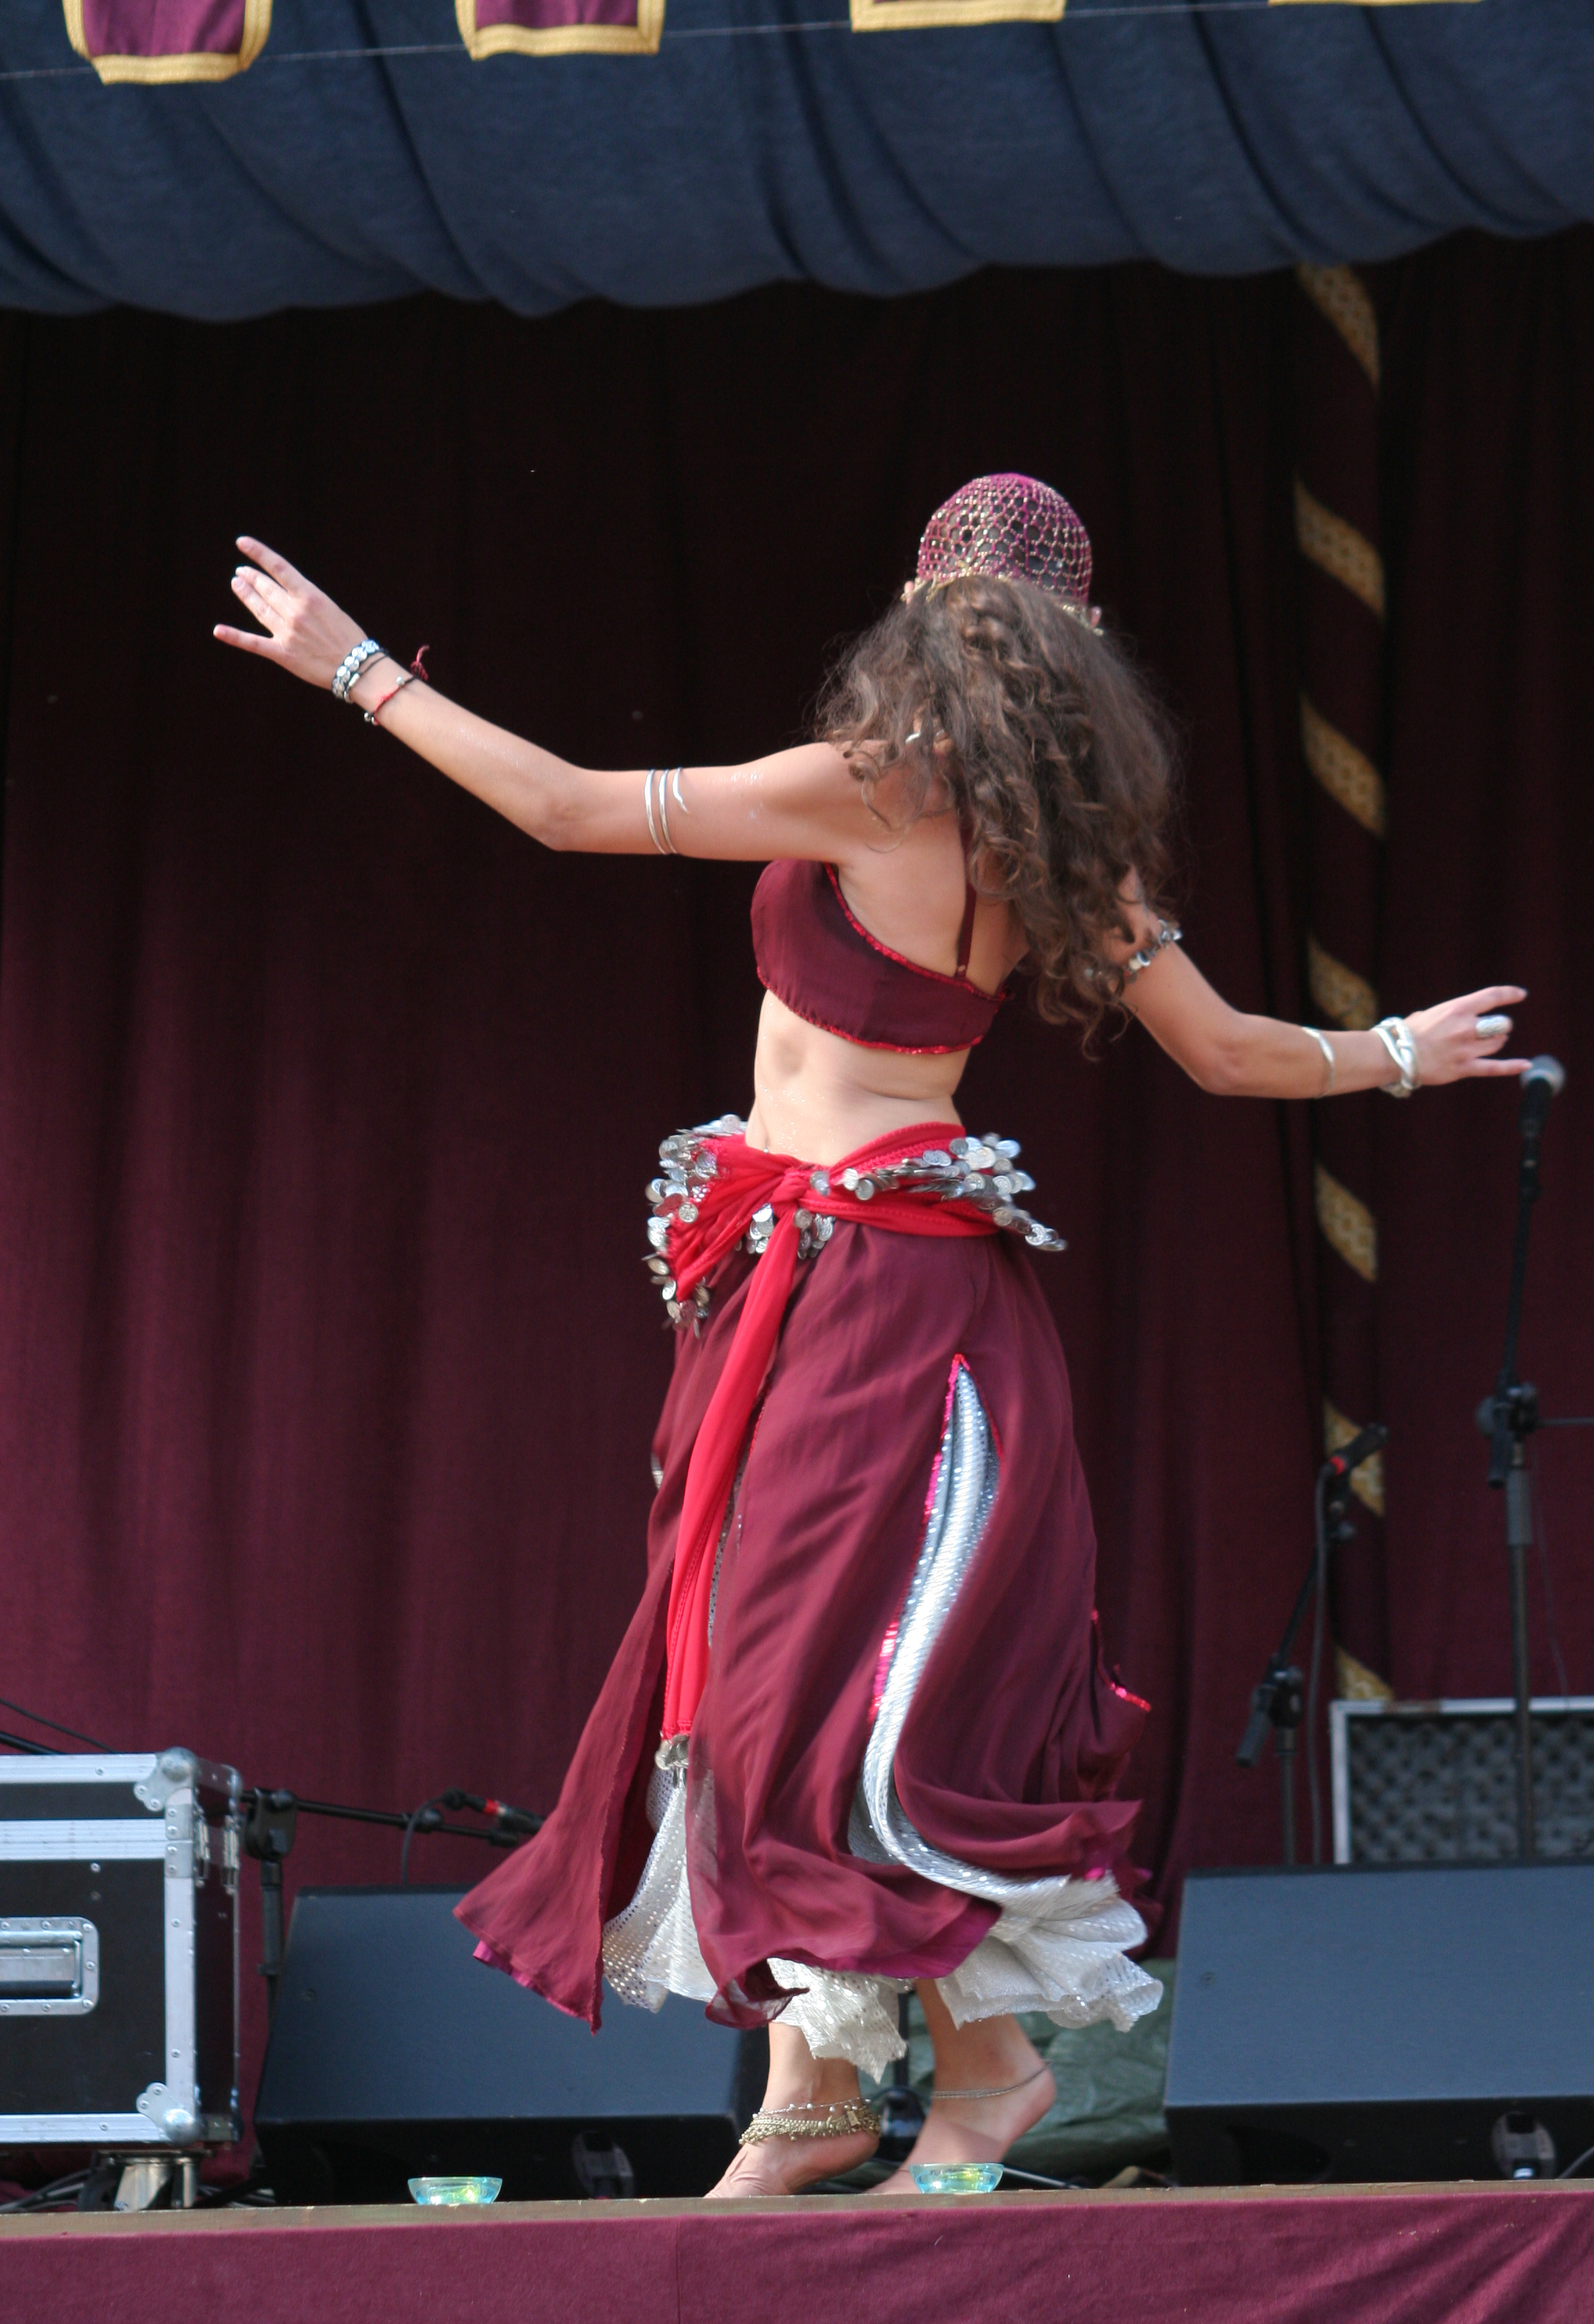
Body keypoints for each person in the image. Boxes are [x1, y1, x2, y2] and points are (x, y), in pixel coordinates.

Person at [218, 474, 1527, 2198]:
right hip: (867, 1283)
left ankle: (908, 2086)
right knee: (814, 1674)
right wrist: (1401, 1053)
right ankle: (867, 2086)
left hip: (870, 1297)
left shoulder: (873, 784)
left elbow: (567, 807)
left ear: (918, 605)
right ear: (1083, 649)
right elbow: (1230, 1052)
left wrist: (358, 669)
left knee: (794, 1677)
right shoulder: (1064, 840)